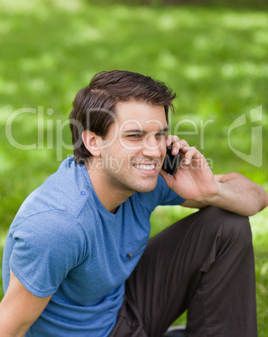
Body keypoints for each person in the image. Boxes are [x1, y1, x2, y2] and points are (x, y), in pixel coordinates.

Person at [1, 70, 267, 337]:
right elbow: (10, 327)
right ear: (93, 141)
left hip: (123, 309)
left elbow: (257, 198)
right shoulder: (58, 226)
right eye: (134, 136)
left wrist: (210, 191)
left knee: (226, 224)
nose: (153, 151)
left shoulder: (142, 178)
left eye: (160, 135)